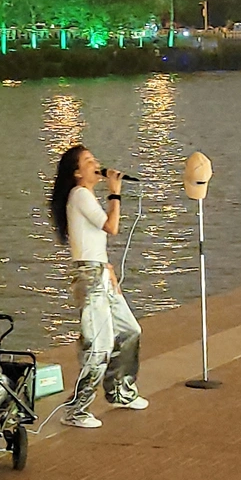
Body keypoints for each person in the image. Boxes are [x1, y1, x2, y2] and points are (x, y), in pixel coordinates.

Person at [51, 144, 148, 429]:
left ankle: (120, 390)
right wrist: (115, 193)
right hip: (89, 277)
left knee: (129, 330)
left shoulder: (85, 196)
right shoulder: (80, 194)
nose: (96, 165)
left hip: (100, 272)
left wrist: (108, 268)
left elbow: (91, 242)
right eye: (89, 161)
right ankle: (76, 410)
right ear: (77, 172)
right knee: (99, 345)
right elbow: (111, 227)